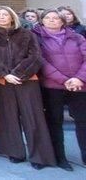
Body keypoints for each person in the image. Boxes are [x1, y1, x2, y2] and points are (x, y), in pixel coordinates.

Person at [0, 5, 56, 170]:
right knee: (8, 118)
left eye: (5, 14)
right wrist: (4, 74)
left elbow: (35, 56)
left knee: (33, 117)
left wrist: (19, 74)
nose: (1, 17)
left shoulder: (26, 34)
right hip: (2, 81)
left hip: (27, 80)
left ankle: (40, 156)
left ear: (12, 16)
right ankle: (14, 152)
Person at [32, 9, 86, 170]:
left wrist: (79, 78)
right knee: (55, 122)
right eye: (47, 18)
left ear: (63, 21)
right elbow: (41, 60)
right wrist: (64, 80)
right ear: (42, 21)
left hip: (79, 85)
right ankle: (60, 157)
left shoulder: (77, 37)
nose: (52, 20)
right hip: (53, 87)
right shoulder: (37, 39)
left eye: (56, 18)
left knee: (83, 121)